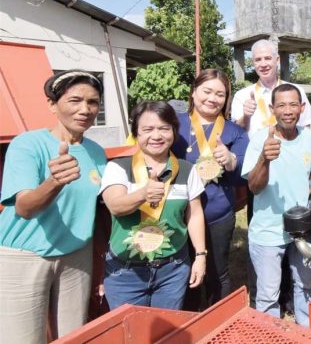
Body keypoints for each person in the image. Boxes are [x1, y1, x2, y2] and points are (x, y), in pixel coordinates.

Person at [0, 70, 107, 342]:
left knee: (72, 336)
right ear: (52, 104)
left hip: (76, 256)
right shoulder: (28, 144)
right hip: (24, 255)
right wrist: (54, 182)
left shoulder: (96, 152)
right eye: (75, 100)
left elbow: (98, 210)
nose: (85, 109)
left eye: (93, 102)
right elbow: (24, 208)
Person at [100, 101, 207, 310]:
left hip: (173, 271)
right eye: (147, 129)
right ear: (136, 134)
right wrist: (142, 194)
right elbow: (115, 206)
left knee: (165, 331)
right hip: (125, 272)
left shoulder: (186, 170)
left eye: (164, 128)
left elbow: (194, 215)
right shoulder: (118, 167)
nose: (156, 136)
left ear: (174, 132)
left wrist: (201, 256)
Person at [241, 83, 311, 326]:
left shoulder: (308, 138)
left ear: (302, 107)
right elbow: (254, 187)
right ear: (273, 109)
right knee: (268, 295)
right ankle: (270, 334)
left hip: (301, 229)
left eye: (293, 104)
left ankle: (306, 334)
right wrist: (265, 159)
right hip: (268, 230)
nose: (288, 110)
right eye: (282, 105)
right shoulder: (260, 140)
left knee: (305, 285)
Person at [172, 69, 249, 307]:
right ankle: (190, 320)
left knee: (218, 273)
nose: (212, 98)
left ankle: (219, 318)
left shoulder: (234, 131)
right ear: (193, 92)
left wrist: (231, 160)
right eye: (207, 91)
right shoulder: (173, 124)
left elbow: (244, 177)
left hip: (217, 214)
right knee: (183, 272)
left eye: (220, 94)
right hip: (177, 215)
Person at [231, 39, 311, 137]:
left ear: (277, 60)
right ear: (253, 63)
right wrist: (246, 116)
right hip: (257, 151)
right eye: (258, 60)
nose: (263, 64)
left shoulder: (296, 91)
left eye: (267, 58)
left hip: (292, 150)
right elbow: (236, 134)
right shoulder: (242, 95)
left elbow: (306, 126)